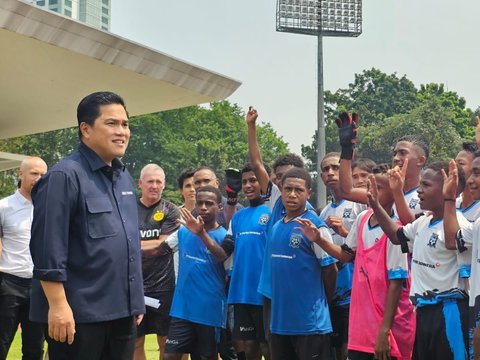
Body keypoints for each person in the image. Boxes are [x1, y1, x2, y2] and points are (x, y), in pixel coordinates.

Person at [29, 91, 145, 360]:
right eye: (112, 123)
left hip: (122, 313)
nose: (122, 132)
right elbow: (48, 249)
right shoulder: (63, 176)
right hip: (79, 316)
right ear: (86, 129)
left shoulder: (124, 177)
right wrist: (58, 306)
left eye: (125, 124)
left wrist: (135, 299)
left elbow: (129, 243)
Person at [297, 164, 416, 360]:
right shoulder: (363, 218)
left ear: (394, 191)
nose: (371, 191)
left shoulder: (396, 229)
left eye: (379, 187)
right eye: (370, 186)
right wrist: (319, 239)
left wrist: (384, 331)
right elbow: (345, 255)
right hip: (362, 322)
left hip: (388, 326)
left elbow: (396, 283)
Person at [368, 161, 469, 360]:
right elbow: (397, 237)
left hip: (449, 311)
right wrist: (376, 206)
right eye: (420, 185)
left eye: (426, 185)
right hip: (423, 311)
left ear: (449, 187)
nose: (419, 191)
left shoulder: (460, 227)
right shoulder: (423, 221)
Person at [269, 167, 337, 360]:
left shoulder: (315, 227)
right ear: (281, 190)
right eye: (287, 189)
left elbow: (330, 270)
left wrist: (321, 303)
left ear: (308, 193)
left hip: (310, 325)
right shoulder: (276, 226)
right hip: (280, 323)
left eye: (298, 190)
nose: (292, 194)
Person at [163, 186, 228, 360]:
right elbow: (161, 250)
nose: (204, 207)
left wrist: (201, 233)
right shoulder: (184, 232)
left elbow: (222, 257)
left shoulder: (224, 236)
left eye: (209, 203)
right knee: (169, 356)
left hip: (209, 311)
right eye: (200, 203)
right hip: (182, 310)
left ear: (220, 207)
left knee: (206, 357)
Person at [337, 112, 428, 223]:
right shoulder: (387, 190)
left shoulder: (427, 195)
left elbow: (409, 228)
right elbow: (347, 192)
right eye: (394, 153)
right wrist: (347, 149)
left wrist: (397, 192)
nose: (396, 158)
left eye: (402, 153)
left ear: (420, 160)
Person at [318, 152, 366, 360]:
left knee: (353, 348)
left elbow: (371, 243)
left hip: (358, 291)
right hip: (335, 292)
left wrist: (345, 233)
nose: (330, 173)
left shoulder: (359, 204)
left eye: (335, 168)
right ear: (321, 177)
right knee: (337, 349)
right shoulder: (324, 212)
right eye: (326, 169)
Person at [0, 156, 47, 360]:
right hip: (8, 284)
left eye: (43, 175)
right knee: (1, 342)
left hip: (39, 285)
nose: (38, 178)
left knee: (34, 348)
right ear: (21, 174)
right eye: (34, 173)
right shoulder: (4, 207)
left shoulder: (49, 208)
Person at [135, 164, 180, 360]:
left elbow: (163, 245)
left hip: (163, 287)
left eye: (158, 182)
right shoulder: (127, 208)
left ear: (164, 184)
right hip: (134, 287)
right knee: (135, 342)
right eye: (150, 181)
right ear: (140, 183)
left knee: (165, 340)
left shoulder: (170, 210)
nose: (154, 186)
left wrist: (130, 245)